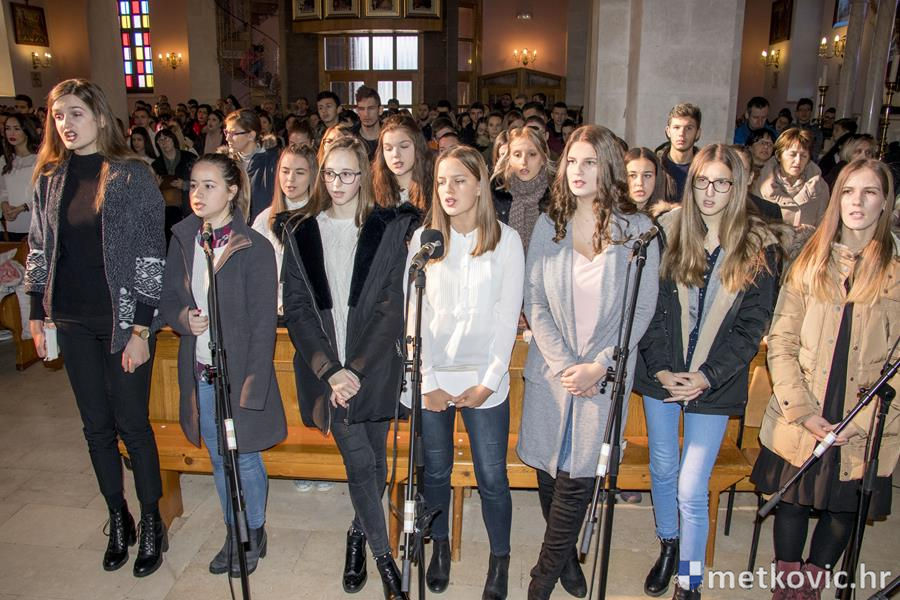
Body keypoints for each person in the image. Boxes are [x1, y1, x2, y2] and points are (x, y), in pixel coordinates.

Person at [24, 78, 167, 577]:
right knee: (96, 427)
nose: (66, 124)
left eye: (76, 113)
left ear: (100, 117)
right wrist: (37, 313)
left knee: (133, 425)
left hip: (122, 320)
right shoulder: (50, 177)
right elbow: (39, 248)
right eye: (58, 115)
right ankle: (118, 516)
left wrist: (142, 330)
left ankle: (152, 520)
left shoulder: (131, 174)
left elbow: (151, 256)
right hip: (71, 318)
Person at [519, 125, 660, 600]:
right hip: (553, 370)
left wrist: (600, 365)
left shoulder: (638, 232)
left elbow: (641, 308)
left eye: (590, 162)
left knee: (578, 476)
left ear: (609, 167)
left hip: (603, 375)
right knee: (549, 471)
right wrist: (565, 365)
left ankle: (541, 579)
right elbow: (534, 299)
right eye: (572, 162)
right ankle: (565, 561)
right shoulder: (550, 224)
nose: (577, 171)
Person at [750, 158, 899, 599]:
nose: (857, 201)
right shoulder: (810, 261)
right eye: (849, 191)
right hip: (805, 403)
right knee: (793, 499)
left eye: (869, 192)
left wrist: (861, 420)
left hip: (865, 411)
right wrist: (801, 410)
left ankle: (812, 584)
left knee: (843, 505)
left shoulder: (896, 270)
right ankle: (788, 585)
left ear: (885, 202)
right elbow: (781, 340)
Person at [639, 144, 780, 599]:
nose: (710, 192)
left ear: (737, 187)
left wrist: (706, 377)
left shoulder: (758, 245)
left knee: (691, 486)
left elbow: (751, 326)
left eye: (722, 182)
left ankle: (690, 579)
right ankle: (669, 543)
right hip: (663, 373)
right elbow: (650, 308)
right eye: (702, 181)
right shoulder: (666, 231)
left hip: (714, 382)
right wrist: (662, 369)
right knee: (663, 468)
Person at [280, 136, 419, 599]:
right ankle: (384, 561)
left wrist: (355, 370)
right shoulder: (301, 230)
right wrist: (331, 370)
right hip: (328, 375)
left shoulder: (386, 228)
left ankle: (358, 531)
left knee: (376, 463)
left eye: (347, 174)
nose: (337, 183)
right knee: (360, 465)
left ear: (363, 175)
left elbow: (390, 307)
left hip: (373, 367)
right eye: (330, 174)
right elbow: (297, 309)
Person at [159, 152, 286, 577]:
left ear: (232, 191)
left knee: (243, 457)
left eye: (209, 185)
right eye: (194, 185)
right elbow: (169, 299)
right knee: (219, 459)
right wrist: (184, 319)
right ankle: (234, 530)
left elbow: (263, 326)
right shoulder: (184, 238)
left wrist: (252, 385)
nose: (197, 193)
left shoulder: (254, 247)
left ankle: (252, 531)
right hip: (202, 372)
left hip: (238, 376)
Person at [406, 145, 524, 600]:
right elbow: (414, 315)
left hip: (484, 380)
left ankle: (500, 558)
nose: (448, 190)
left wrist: (489, 381)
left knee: (492, 477)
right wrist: (428, 380)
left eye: (459, 180)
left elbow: (506, 319)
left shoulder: (506, 241)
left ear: (479, 186)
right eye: (441, 181)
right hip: (434, 378)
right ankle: (438, 546)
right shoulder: (426, 241)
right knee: (435, 471)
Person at [491, 126, 553, 252]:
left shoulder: (556, 197)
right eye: (517, 155)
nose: (524, 161)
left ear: (543, 158)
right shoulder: (495, 194)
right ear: (509, 158)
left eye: (532, 154)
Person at [753, 128, 830, 227]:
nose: (798, 161)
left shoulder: (820, 187)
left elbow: (824, 227)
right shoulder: (760, 183)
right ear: (779, 156)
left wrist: (808, 231)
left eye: (803, 156)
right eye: (792, 155)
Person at [224, 108, 280, 222]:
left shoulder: (272, 162)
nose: (227, 138)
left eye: (233, 133)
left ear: (251, 135)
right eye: (226, 132)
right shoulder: (224, 163)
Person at [373, 114, 433, 211]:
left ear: (418, 147)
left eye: (404, 146)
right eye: (388, 149)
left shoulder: (435, 189)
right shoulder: (372, 191)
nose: (396, 154)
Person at [0, 113, 40, 241]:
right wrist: (4, 205)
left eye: (17, 129)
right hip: (13, 223)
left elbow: (44, 194)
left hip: (36, 221)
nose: (11, 133)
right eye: (8, 128)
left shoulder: (40, 159)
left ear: (26, 131)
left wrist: (23, 208)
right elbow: (3, 190)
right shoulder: (4, 159)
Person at [151, 128, 196, 239]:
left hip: (189, 206)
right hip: (168, 212)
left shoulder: (189, 158)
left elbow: (201, 181)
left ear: (173, 139)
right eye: (160, 140)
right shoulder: (156, 165)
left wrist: (185, 184)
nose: (163, 142)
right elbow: (150, 192)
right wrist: (155, 186)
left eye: (166, 138)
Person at [657, 103, 702, 204]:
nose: (682, 134)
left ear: (698, 133)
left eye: (689, 128)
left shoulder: (706, 168)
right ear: (668, 131)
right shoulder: (655, 166)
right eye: (676, 127)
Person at [624, 147, 666, 213]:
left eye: (647, 176)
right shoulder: (611, 216)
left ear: (657, 178)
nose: (640, 183)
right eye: (632, 176)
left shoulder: (670, 217)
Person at [355, 86, 383, 160]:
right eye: (361, 109)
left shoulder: (390, 134)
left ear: (380, 110)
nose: (366, 114)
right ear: (357, 111)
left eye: (371, 108)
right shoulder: (350, 136)